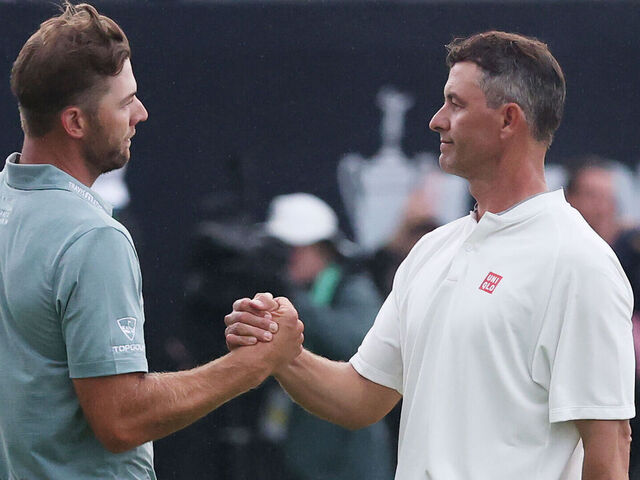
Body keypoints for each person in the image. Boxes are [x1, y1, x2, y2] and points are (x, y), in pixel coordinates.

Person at [225, 31, 635, 479]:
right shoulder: (432, 251)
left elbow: (609, 447)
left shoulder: (579, 262)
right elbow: (362, 397)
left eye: (456, 104)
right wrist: (284, 353)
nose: (437, 120)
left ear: (507, 120)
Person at [0, 3, 303, 479]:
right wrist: (257, 361)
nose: (141, 113)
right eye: (124, 102)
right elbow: (122, 420)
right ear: (75, 122)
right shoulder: (93, 237)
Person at [264, 192, 393, 480]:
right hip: (303, 458)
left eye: (296, 249)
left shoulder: (352, 289)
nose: (289, 259)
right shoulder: (291, 292)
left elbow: (358, 344)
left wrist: (297, 304)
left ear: (323, 250)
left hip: (348, 461)